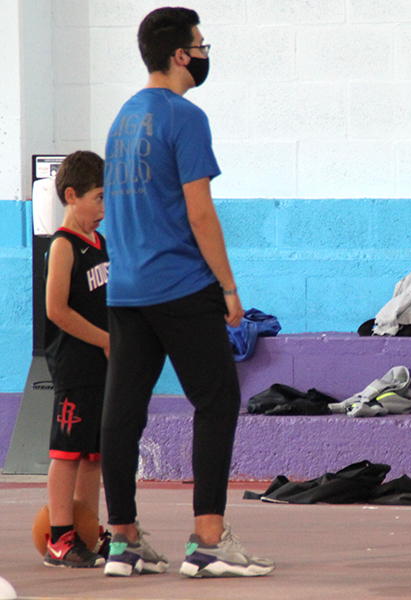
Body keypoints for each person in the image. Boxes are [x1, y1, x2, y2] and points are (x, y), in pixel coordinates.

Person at [101, 7, 274, 578]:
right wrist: (229, 288)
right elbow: (200, 213)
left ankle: (122, 541)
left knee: (123, 412)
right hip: (180, 284)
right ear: (181, 55)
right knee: (217, 401)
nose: (203, 54)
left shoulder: (123, 119)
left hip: (126, 292)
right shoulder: (185, 116)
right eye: (200, 45)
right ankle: (207, 542)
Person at [43, 151, 109, 568]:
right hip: (74, 366)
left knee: (93, 453)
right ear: (71, 195)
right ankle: (59, 537)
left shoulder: (100, 245)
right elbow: (56, 310)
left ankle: (87, 531)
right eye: (98, 198)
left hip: (102, 365)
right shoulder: (64, 245)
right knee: (67, 452)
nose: (104, 208)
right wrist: (106, 340)